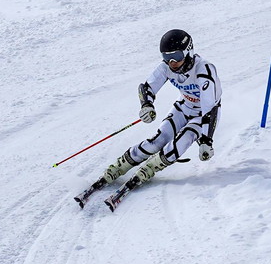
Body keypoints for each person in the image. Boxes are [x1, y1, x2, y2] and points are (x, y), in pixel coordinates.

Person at [76, 28, 222, 208]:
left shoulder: (204, 70)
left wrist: (206, 140)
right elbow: (146, 88)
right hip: (183, 107)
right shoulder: (166, 68)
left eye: (176, 55)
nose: (172, 62)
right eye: (167, 57)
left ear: (188, 51)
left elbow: (210, 108)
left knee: (179, 145)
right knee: (157, 141)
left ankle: (150, 169)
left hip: (203, 115)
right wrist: (147, 105)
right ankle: (117, 167)